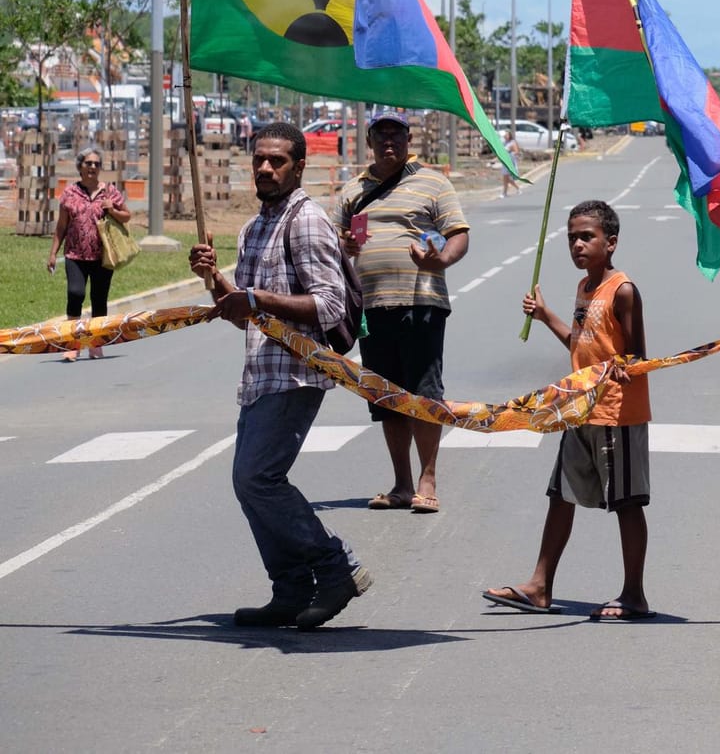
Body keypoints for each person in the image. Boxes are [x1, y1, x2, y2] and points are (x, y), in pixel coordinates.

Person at [189, 122, 371, 630]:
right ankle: (290, 587)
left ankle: (336, 568)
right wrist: (214, 280)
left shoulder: (306, 220)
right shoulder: (254, 227)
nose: (266, 169)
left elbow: (331, 305)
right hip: (260, 372)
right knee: (249, 483)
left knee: (257, 477)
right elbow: (242, 309)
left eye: (277, 161)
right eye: (259, 161)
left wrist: (257, 300)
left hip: (296, 375)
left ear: (298, 166)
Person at [485, 199, 653, 620]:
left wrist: (618, 371)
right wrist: (545, 316)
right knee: (560, 496)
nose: (577, 245)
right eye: (572, 237)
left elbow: (636, 359)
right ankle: (540, 587)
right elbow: (581, 346)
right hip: (578, 411)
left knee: (627, 503)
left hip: (617, 415)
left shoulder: (623, 291)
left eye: (587, 237)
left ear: (610, 243)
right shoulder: (584, 288)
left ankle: (634, 594)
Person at [336, 111, 471, 515]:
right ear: (370, 141)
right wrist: (346, 247)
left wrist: (439, 260)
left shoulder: (433, 182)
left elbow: (459, 234)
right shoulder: (352, 190)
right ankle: (401, 483)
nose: (389, 142)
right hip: (372, 307)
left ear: (410, 140)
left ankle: (427, 481)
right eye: (381, 135)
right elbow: (337, 245)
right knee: (387, 398)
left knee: (425, 393)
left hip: (422, 302)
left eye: (396, 135)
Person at [45, 148, 131, 363]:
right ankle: (73, 344)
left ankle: (96, 344)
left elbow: (126, 216)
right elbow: (61, 227)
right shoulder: (69, 194)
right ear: (80, 167)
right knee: (75, 294)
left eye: (96, 164)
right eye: (88, 163)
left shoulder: (110, 192)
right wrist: (53, 253)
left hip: (103, 256)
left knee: (99, 300)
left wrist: (112, 209)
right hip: (75, 255)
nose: (92, 167)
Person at [500, 130, 520, 196]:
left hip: (511, 162)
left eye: (507, 135)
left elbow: (516, 152)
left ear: (510, 135)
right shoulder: (504, 143)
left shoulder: (512, 143)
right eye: (505, 135)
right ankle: (516, 188)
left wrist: (511, 152)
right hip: (505, 161)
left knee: (507, 178)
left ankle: (504, 193)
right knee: (505, 178)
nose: (505, 136)